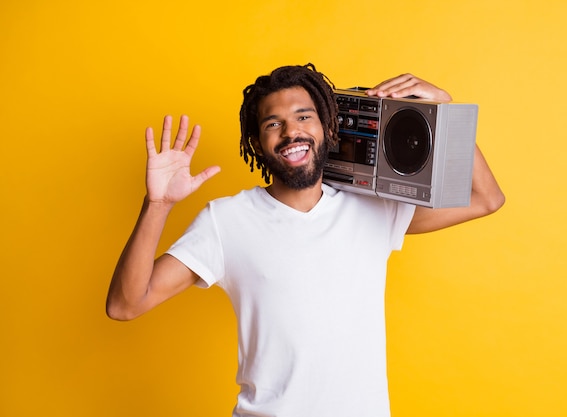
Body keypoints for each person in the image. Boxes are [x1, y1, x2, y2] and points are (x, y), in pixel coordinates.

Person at [106, 63, 504, 417]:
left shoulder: (373, 209)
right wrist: (156, 204)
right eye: (272, 124)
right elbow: (126, 304)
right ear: (256, 144)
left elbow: (486, 198)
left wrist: (446, 114)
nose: (291, 131)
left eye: (303, 117)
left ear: (327, 127)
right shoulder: (226, 221)